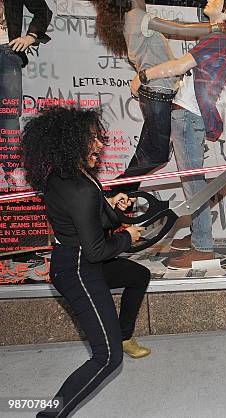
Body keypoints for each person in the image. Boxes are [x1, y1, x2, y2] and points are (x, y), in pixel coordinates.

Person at [21, 107, 151, 418]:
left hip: (77, 260)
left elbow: (87, 217)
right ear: (72, 141)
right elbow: (96, 249)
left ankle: (123, 333)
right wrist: (128, 236)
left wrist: (112, 205)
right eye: (92, 139)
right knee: (107, 358)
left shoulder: (68, 175)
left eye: (98, 137)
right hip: (79, 269)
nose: (99, 145)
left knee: (138, 276)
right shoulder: (79, 187)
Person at [129, 0, 226, 268]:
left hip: (188, 117)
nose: (208, 1)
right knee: (193, 182)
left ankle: (203, 248)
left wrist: (142, 76)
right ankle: (198, 235)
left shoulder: (217, 37)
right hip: (189, 116)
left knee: (194, 185)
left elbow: (178, 66)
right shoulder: (222, 38)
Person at [92, 0, 226, 193]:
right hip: (156, 93)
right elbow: (181, 29)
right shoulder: (136, 16)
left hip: (157, 93)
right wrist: (221, 28)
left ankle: (121, 198)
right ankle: (111, 191)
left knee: (145, 156)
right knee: (158, 155)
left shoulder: (135, 18)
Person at [0, 0, 51, 189]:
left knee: (9, 114)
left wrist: (30, 37)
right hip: (8, 54)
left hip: (8, 51)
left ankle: (10, 170)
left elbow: (43, 10)